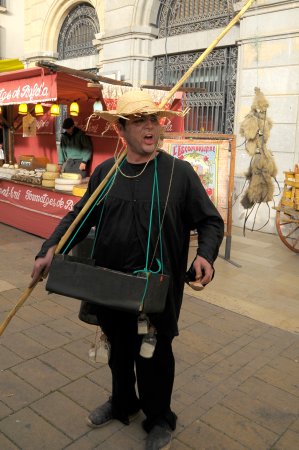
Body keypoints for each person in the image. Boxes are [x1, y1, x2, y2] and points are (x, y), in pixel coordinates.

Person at [30, 90, 224, 450]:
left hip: (156, 289)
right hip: (109, 286)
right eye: (140, 121)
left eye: (154, 120)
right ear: (121, 130)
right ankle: (123, 403)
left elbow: (211, 221)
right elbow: (78, 217)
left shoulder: (178, 174)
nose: (151, 127)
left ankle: (159, 418)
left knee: (155, 356)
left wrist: (206, 256)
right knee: (118, 352)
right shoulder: (106, 173)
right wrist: (49, 249)